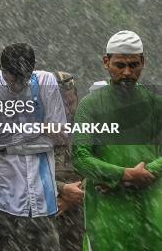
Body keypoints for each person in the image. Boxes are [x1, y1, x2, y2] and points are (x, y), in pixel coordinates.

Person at [0, 43, 66, 251]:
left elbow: (59, 136)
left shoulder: (46, 82)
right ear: (1, 69)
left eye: (21, 78)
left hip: (42, 197)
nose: (15, 83)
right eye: (9, 76)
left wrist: (5, 144)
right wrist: (38, 128)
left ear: (31, 72)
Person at [72, 30, 162, 250]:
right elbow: (80, 157)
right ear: (106, 62)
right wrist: (124, 174)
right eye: (120, 65)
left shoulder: (156, 104)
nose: (127, 73)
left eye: (134, 65)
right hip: (106, 216)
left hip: (151, 212)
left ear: (143, 62)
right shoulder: (90, 106)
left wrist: (146, 172)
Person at [53, 72, 84, 251]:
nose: (65, 110)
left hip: (81, 207)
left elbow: (100, 169)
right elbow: (25, 171)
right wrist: (59, 189)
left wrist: (71, 197)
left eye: (70, 103)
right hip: (43, 207)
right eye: (59, 105)